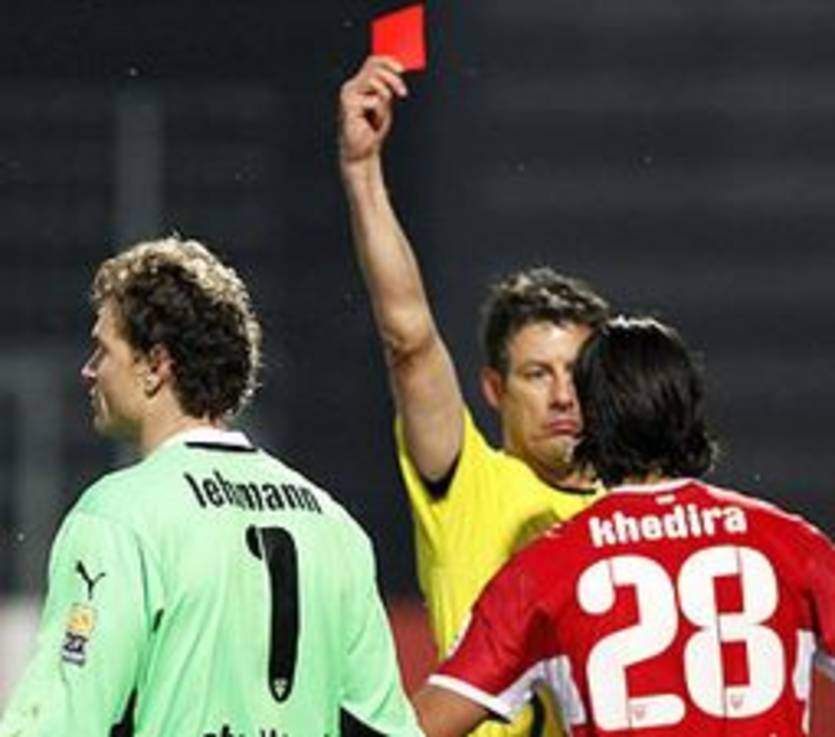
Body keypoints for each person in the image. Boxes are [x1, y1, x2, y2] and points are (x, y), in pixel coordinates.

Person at [0, 236, 422, 737]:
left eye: (103, 349)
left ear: (155, 365)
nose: (89, 370)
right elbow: (385, 729)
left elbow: (65, 720)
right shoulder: (335, 527)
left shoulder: (118, 516)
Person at [339, 56, 609, 737]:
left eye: (576, 371)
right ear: (493, 387)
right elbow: (408, 338)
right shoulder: (467, 484)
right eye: (536, 373)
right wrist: (362, 171)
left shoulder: (642, 511)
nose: (562, 395)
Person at [412, 316, 835, 737]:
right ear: (689, 408)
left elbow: (420, 726)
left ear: (590, 418)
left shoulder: (544, 571)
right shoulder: (792, 545)